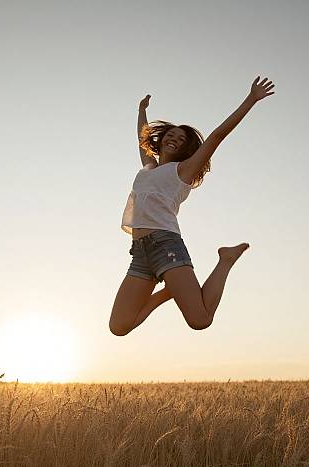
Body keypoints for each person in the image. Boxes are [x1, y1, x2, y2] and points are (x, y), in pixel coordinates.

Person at [109, 76, 275, 336]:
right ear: (161, 139)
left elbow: (217, 136)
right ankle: (170, 290)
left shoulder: (184, 171)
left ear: (187, 149)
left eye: (182, 139)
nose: (175, 139)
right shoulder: (149, 167)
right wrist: (141, 110)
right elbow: (141, 136)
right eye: (171, 135)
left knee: (200, 320)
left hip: (166, 246)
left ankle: (226, 259)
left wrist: (251, 99)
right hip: (140, 253)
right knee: (119, 326)